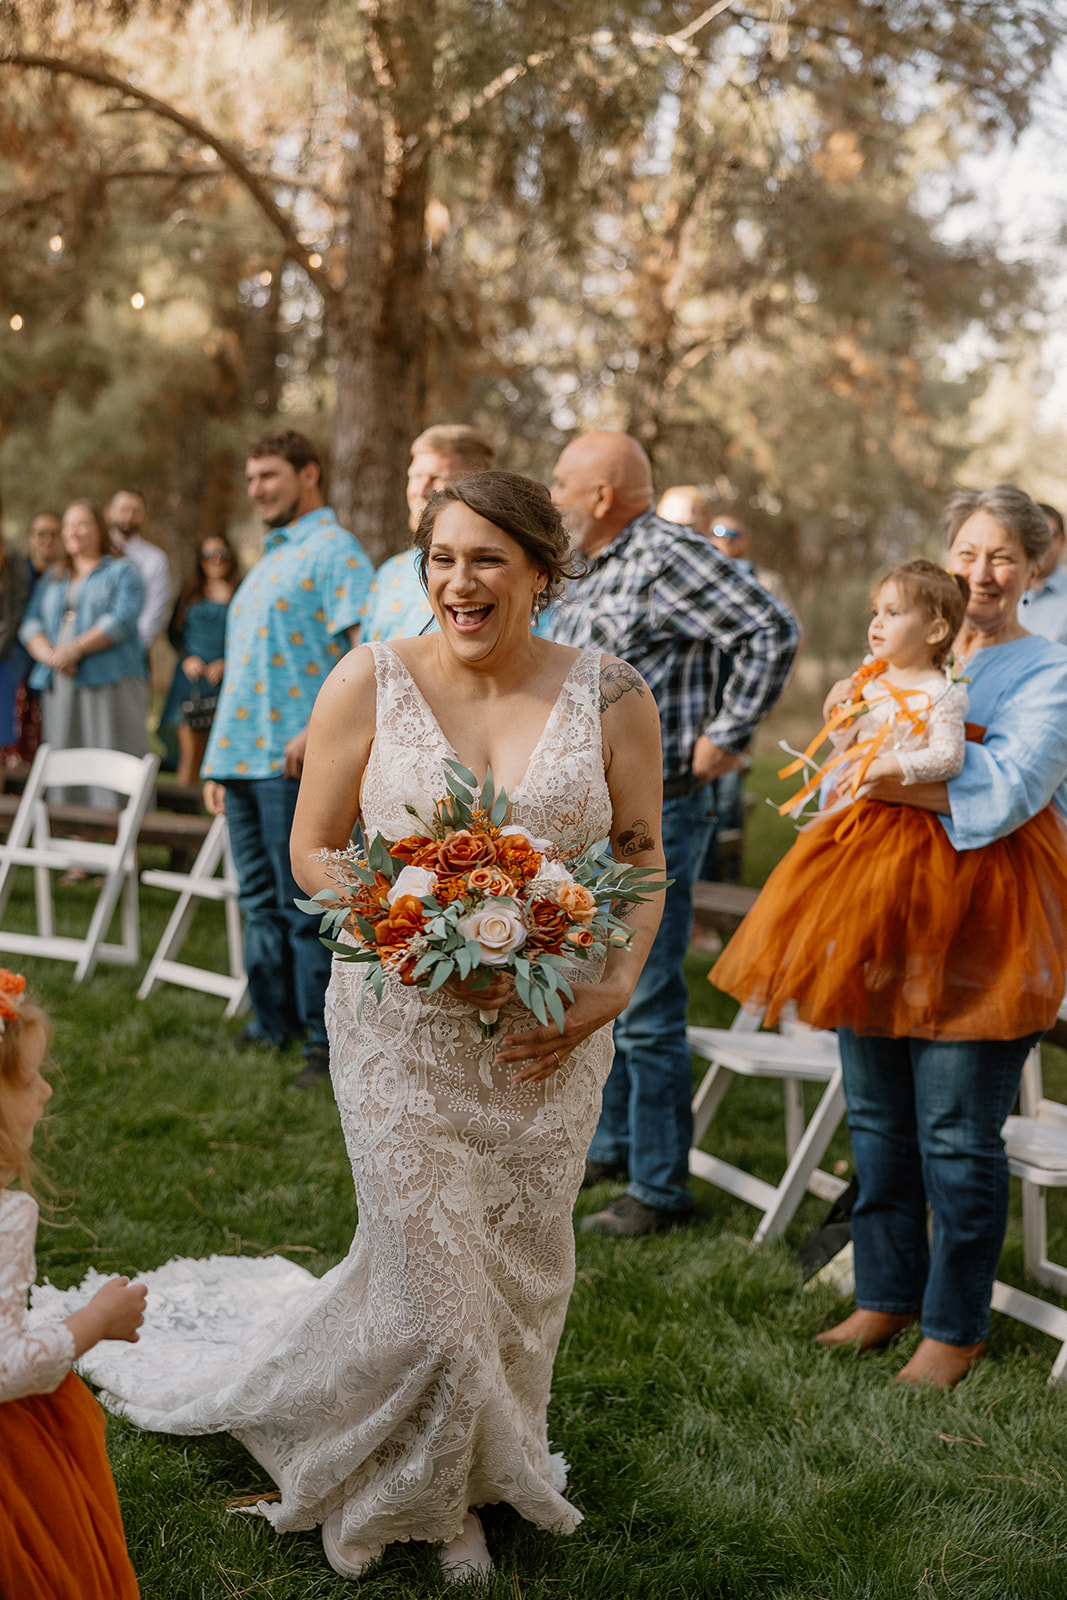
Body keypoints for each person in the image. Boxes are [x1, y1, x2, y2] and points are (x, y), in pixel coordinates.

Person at [44, 471, 666, 1582]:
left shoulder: (612, 694)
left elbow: (637, 853)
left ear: (539, 568)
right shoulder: (367, 681)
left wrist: (609, 985)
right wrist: (405, 928)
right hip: (398, 1029)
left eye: (485, 559)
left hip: (546, 1038)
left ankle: (483, 1459)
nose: (457, 582)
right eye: (439, 558)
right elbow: (316, 849)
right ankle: (422, 1501)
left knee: (518, 1273)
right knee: (435, 1297)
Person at [741, 485, 1067, 1388]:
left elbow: (1006, 792)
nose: (982, 571)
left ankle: (954, 1325)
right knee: (878, 1117)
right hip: (874, 905)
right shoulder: (906, 646)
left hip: (986, 921)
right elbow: (836, 750)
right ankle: (884, 1293)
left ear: (1036, 566)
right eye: (967, 551)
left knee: (957, 1133)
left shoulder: (1051, 671)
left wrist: (873, 775)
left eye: (1004, 555)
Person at [549, 433, 799, 1235]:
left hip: (658, 808)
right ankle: (614, 1144)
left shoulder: (666, 554)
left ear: (601, 493)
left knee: (646, 989)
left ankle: (659, 1188)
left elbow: (770, 627)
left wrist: (727, 735)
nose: (549, 494)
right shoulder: (591, 561)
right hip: (589, 803)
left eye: (561, 481)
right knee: (596, 970)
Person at [710, 560, 976, 1025]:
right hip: (854, 818)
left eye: (894, 613)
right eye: (876, 611)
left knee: (908, 907)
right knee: (842, 908)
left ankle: (913, 980)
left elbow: (948, 757)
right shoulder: (871, 683)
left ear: (936, 629)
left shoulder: (941, 693)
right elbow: (845, 753)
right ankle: (859, 975)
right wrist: (842, 723)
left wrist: (887, 765)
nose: (877, 622)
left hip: (908, 824)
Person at [201, 431, 372, 1087]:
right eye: (251, 478)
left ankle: (322, 1048)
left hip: (297, 763)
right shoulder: (268, 558)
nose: (257, 490)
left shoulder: (336, 553)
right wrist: (219, 761)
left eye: (270, 475)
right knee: (259, 903)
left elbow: (362, 660)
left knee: (309, 904)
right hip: (242, 761)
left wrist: (316, 729)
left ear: (310, 475)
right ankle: (271, 1024)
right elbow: (248, 672)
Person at [0, 968, 146, 1599]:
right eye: (30, 1080)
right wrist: (96, 1322)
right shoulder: (7, 1218)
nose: (47, 1090)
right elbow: (4, 1367)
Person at [20, 501, 148, 809]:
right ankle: (76, 838)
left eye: (81, 524)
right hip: (62, 684)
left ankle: (121, 842)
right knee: (68, 758)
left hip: (110, 681)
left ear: (99, 530)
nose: (72, 531)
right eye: (68, 525)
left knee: (112, 754)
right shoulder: (53, 576)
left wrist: (75, 650)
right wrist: (50, 656)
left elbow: (120, 620)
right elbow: (31, 622)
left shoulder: (123, 571)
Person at [360, 423, 495, 642]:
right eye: (415, 476)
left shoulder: (497, 571)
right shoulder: (388, 573)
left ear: (478, 484)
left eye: (437, 477)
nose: (420, 491)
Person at [159, 535, 241, 787]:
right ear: (201, 561)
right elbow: (173, 633)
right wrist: (187, 658)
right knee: (190, 751)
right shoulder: (190, 592)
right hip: (190, 681)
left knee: (214, 753)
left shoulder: (241, 592)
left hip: (223, 682)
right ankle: (183, 813)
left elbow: (249, 636)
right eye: (209, 555)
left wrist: (228, 663)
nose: (215, 560)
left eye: (221, 554)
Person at [12, 513, 62, 767]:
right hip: (16, 661)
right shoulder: (14, 572)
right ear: (31, 538)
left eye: (54, 534)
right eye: (42, 533)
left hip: (54, 663)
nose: (48, 540)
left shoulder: (66, 576)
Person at [105, 490, 173, 654]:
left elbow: (155, 609)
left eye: (135, 511)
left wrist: (133, 648)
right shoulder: (95, 554)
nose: (128, 517)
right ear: (108, 513)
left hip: (134, 651)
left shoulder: (155, 559)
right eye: (123, 510)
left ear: (145, 517)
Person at [1018, 501, 1067, 646]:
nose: (1041, 547)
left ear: (1062, 540)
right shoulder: (1001, 591)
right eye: (1033, 537)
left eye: (1048, 537)